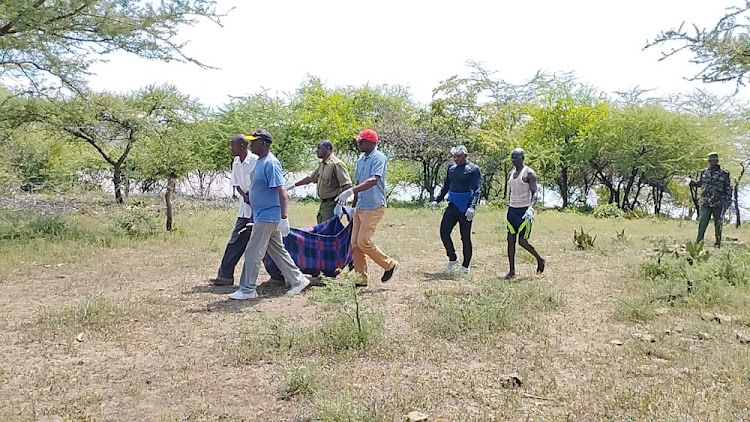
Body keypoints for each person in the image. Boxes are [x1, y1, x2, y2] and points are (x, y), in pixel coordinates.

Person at [229, 129, 310, 300]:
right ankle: (298, 280)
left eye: (254, 142)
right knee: (277, 250)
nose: (251, 145)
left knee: (252, 252)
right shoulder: (260, 161)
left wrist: (284, 217)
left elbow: (282, 191)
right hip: (262, 215)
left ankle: (247, 289)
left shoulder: (271, 164)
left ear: (264, 143)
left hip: (268, 216)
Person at [210, 134, 283, 286]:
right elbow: (236, 183)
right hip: (244, 209)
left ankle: (277, 276)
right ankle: (225, 276)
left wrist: (254, 198)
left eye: (233, 145)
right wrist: (245, 196)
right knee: (236, 241)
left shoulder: (257, 161)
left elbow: (265, 185)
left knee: (263, 245)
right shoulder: (236, 162)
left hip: (259, 210)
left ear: (242, 146)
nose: (231, 149)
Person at [335, 129, 397, 287]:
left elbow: (373, 180)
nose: (359, 143)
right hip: (361, 206)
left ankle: (389, 264)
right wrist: (353, 204)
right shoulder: (361, 159)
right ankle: (361, 279)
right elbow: (359, 182)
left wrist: (351, 191)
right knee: (354, 243)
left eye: (361, 141)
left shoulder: (379, 158)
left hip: (374, 205)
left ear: (371, 142)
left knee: (363, 241)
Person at [431, 145, 481, 275]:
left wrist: (472, 207)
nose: (456, 159)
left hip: (466, 208)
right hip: (452, 205)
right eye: (454, 156)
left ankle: (465, 266)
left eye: (458, 156)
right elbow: (446, 186)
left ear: (465, 155)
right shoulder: (451, 168)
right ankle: (453, 259)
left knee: (465, 237)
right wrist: (437, 199)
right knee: (444, 232)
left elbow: (476, 190)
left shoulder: (473, 169)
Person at [287, 139, 352, 224]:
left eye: (319, 148)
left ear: (328, 149)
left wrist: (339, 205)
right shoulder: (323, 164)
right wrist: (293, 186)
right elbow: (311, 178)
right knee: (321, 231)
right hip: (324, 205)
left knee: (328, 232)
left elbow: (347, 185)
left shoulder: (336, 164)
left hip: (332, 204)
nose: (316, 151)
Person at [505, 148, 545, 279]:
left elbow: (535, 193)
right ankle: (511, 271)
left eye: (515, 158)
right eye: (512, 158)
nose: (513, 160)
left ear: (522, 158)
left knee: (522, 241)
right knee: (510, 241)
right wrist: (508, 203)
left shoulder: (529, 173)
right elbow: (511, 191)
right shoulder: (511, 174)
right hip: (512, 211)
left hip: (524, 211)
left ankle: (539, 259)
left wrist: (531, 208)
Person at [690, 152, 732, 248]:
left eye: (713, 161)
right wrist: (692, 182)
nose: (711, 162)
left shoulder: (724, 173)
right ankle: (698, 245)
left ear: (717, 161)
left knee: (718, 225)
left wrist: (727, 202)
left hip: (718, 203)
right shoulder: (704, 172)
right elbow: (700, 183)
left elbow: (728, 188)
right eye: (710, 161)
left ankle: (717, 244)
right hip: (705, 203)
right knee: (702, 223)